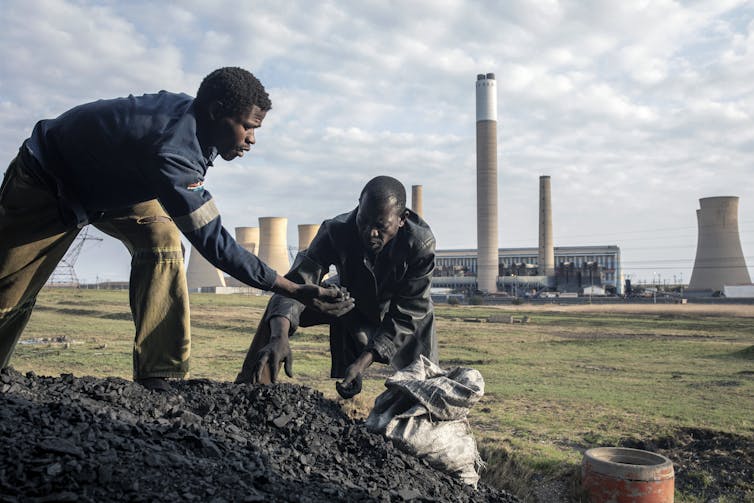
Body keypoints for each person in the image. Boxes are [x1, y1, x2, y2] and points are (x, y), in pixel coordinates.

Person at [0, 67, 353, 390]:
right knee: (9, 295)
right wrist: (292, 288)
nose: (251, 139)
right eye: (247, 126)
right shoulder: (172, 149)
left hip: (113, 186)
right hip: (47, 182)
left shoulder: (194, 126)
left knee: (163, 240)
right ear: (216, 112)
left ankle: (158, 372)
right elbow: (215, 244)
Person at [235, 176, 437, 398]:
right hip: (352, 300)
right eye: (364, 221)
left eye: (381, 226)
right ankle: (250, 389)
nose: (370, 233)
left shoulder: (421, 244)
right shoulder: (336, 229)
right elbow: (297, 283)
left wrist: (362, 363)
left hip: (404, 313)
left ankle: (424, 408)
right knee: (280, 305)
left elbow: (406, 314)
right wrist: (279, 335)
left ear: (402, 219)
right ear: (359, 208)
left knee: (423, 391)